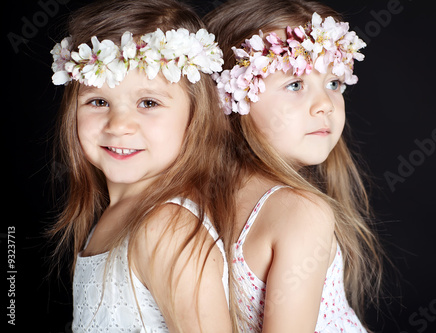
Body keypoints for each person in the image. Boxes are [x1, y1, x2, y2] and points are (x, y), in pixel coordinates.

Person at [47, 0, 233, 331]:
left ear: (196, 115)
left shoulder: (166, 229)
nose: (119, 125)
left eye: (148, 102)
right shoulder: (117, 214)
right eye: (98, 101)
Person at [204, 0, 385, 332]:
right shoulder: (301, 212)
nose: (325, 105)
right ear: (229, 96)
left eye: (333, 83)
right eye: (295, 84)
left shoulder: (194, 205)